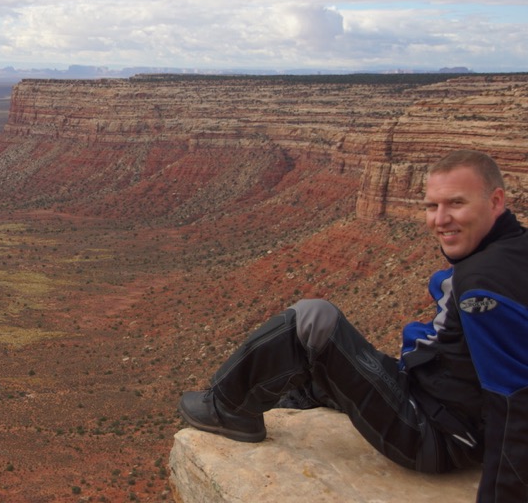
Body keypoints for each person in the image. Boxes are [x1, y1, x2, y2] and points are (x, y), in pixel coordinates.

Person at [178, 150, 527, 502]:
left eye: (456, 203)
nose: (440, 219)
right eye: (431, 206)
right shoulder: (513, 250)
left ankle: (227, 409)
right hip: (441, 405)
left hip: (435, 435)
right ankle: (302, 397)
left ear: (496, 201)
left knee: (313, 321)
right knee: (324, 363)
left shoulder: (483, 283)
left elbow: (513, 398)